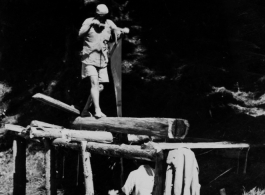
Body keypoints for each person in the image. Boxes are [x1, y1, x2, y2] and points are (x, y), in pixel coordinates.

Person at [78, 4, 123, 118]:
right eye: (100, 16)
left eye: (104, 16)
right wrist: (91, 25)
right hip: (89, 58)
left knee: (100, 87)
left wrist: (118, 32)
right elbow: (80, 34)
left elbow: (116, 31)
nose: (102, 18)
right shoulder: (89, 21)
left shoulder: (108, 23)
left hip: (102, 60)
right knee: (94, 83)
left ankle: (85, 110)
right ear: (96, 14)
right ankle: (98, 111)